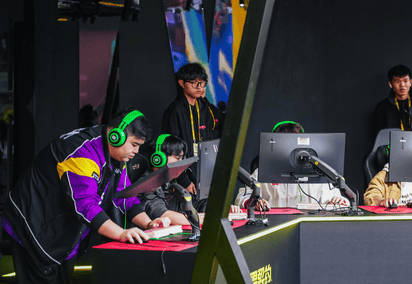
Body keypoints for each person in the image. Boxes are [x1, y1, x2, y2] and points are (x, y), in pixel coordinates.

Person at [2, 109, 167, 284]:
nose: (136, 151)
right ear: (116, 136)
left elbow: (124, 195)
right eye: (134, 144)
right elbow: (85, 205)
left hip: (61, 228)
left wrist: (148, 223)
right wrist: (121, 233)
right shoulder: (82, 152)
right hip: (33, 223)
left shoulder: (118, 156)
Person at [235, 121, 348, 209]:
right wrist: (252, 202)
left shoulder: (317, 173)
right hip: (272, 226)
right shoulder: (261, 172)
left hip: (309, 227)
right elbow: (241, 197)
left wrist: (339, 202)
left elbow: (341, 200)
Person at [138, 134, 240, 224]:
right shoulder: (147, 183)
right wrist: (202, 219)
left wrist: (221, 209)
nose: (181, 162)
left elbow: (194, 205)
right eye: (178, 158)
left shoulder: (170, 181)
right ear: (159, 158)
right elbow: (161, 213)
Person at [162, 62, 224, 195]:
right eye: (194, 83)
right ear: (181, 83)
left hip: (206, 174)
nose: (199, 87)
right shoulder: (174, 111)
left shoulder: (206, 108)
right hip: (184, 178)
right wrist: (184, 181)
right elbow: (170, 150)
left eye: (202, 83)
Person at [373, 64, 412, 136]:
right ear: (390, 84)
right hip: (394, 143)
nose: (402, 85)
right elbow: (379, 135)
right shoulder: (382, 107)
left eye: (405, 81)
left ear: (410, 82)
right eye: (397, 81)